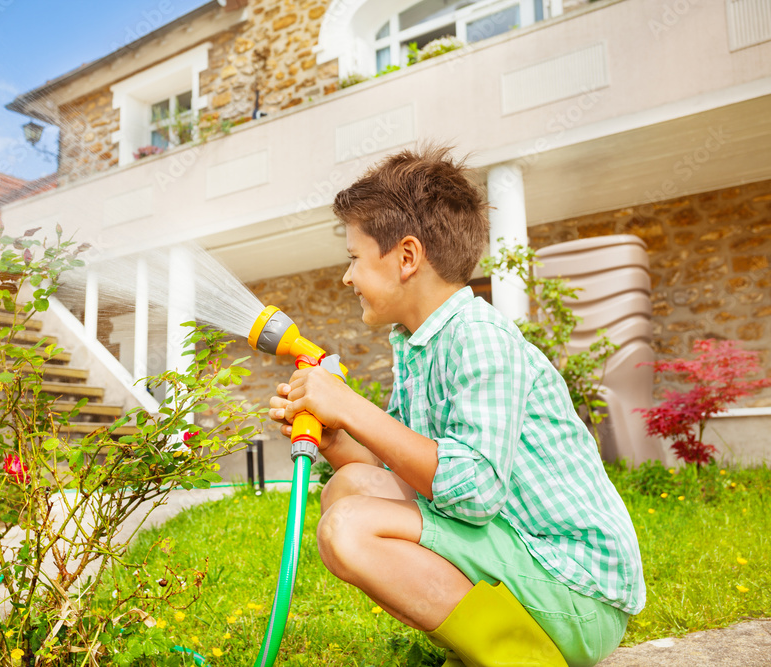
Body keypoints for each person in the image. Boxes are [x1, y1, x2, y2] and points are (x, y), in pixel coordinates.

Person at [269, 145, 645, 666]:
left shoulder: (479, 339)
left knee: (348, 528)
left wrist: (353, 407)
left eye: (354, 258)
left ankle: (520, 657)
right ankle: (485, 645)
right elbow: (400, 474)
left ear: (406, 257)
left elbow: (474, 494)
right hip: (523, 562)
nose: (347, 277)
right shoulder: (420, 346)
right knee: (349, 489)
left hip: (575, 591)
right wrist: (335, 438)